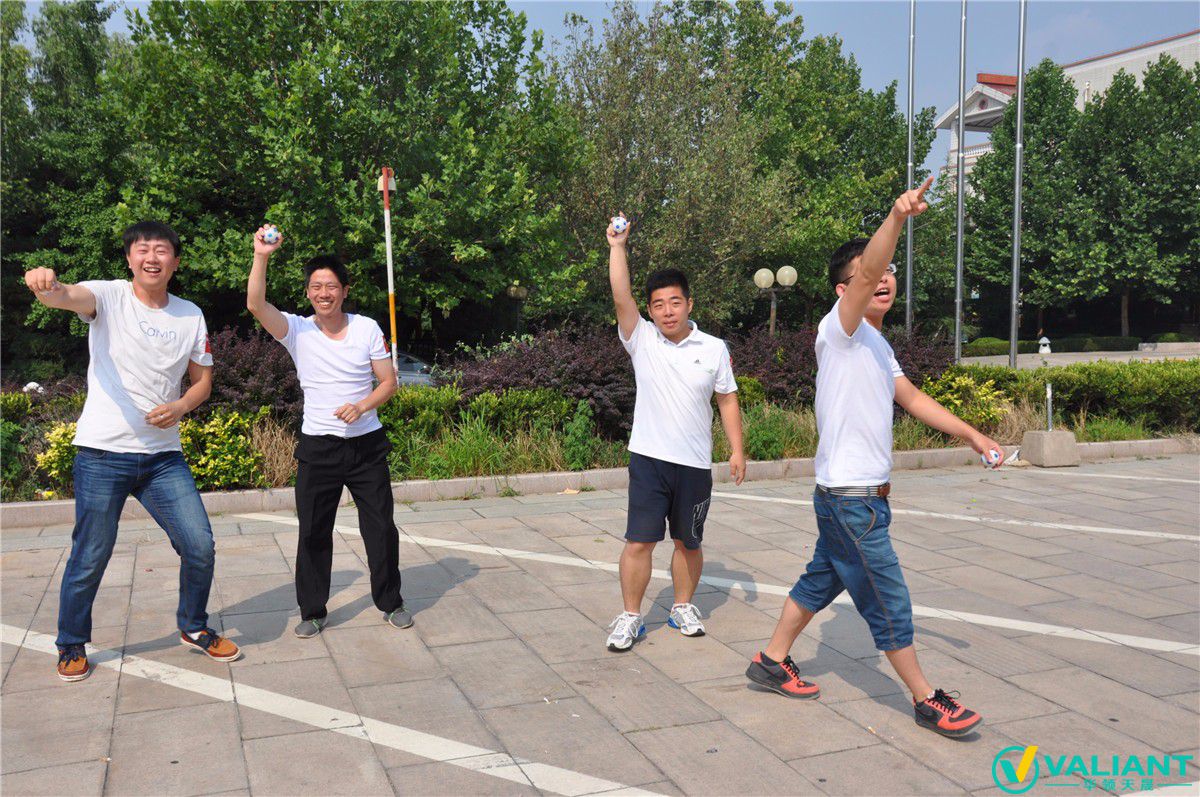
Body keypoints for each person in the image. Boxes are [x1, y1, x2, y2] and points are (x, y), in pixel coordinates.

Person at [744, 177, 1001, 738]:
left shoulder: (879, 346)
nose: (883, 278)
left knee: (821, 582)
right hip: (851, 500)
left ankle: (771, 660)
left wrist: (972, 435)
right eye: (870, 274)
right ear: (844, 290)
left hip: (855, 498)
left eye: (888, 272)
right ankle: (927, 699)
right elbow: (865, 274)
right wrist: (897, 217)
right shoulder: (839, 330)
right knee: (889, 599)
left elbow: (911, 398)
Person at [24, 221, 242, 682]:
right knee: (91, 554)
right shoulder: (109, 296)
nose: (151, 258)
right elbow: (65, 296)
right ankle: (71, 643)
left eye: (161, 250)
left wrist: (181, 406)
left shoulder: (190, 314)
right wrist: (45, 285)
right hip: (102, 454)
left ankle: (193, 626)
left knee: (199, 545)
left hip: (163, 458)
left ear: (175, 262)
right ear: (129, 259)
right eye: (142, 250)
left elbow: (202, 381)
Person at [245, 225, 410, 638]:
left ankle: (391, 602)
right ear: (307, 293)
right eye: (316, 287)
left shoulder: (366, 328)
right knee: (314, 532)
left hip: (366, 448)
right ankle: (313, 611)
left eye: (331, 286)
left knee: (381, 529)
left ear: (345, 290)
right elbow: (255, 304)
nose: (324, 293)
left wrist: (362, 406)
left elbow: (388, 383)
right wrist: (261, 256)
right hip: (318, 449)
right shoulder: (296, 330)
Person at [604, 213, 747, 652]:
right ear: (650, 310)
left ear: (689, 304)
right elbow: (621, 294)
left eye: (675, 302)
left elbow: (727, 398)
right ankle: (631, 616)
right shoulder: (642, 339)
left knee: (689, 541)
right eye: (658, 305)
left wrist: (737, 450)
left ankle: (682, 606)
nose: (667, 311)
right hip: (649, 460)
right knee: (639, 541)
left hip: (694, 465)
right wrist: (617, 247)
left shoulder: (714, 348)